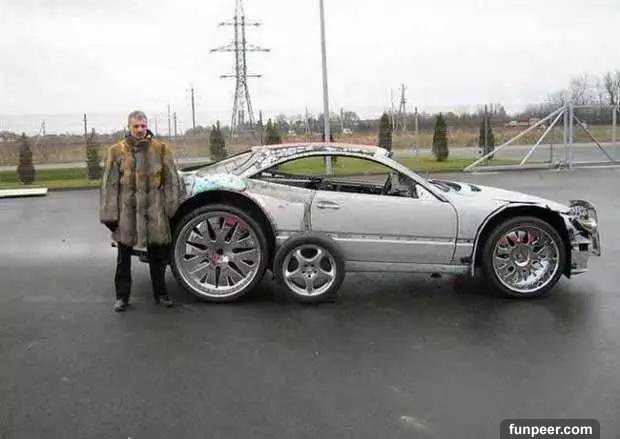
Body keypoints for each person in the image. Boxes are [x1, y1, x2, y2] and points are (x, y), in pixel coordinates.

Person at [100, 111, 185, 312]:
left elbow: (172, 180)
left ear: (147, 126)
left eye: (143, 126)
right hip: (127, 214)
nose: (139, 130)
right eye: (136, 126)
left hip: (154, 211)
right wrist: (110, 215)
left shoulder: (161, 149)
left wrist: (171, 207)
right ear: (129, 127)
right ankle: (122, 297)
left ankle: (161, 294)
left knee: (158, 257)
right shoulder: (116, 151)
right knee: (123, 258)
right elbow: (109, 185)